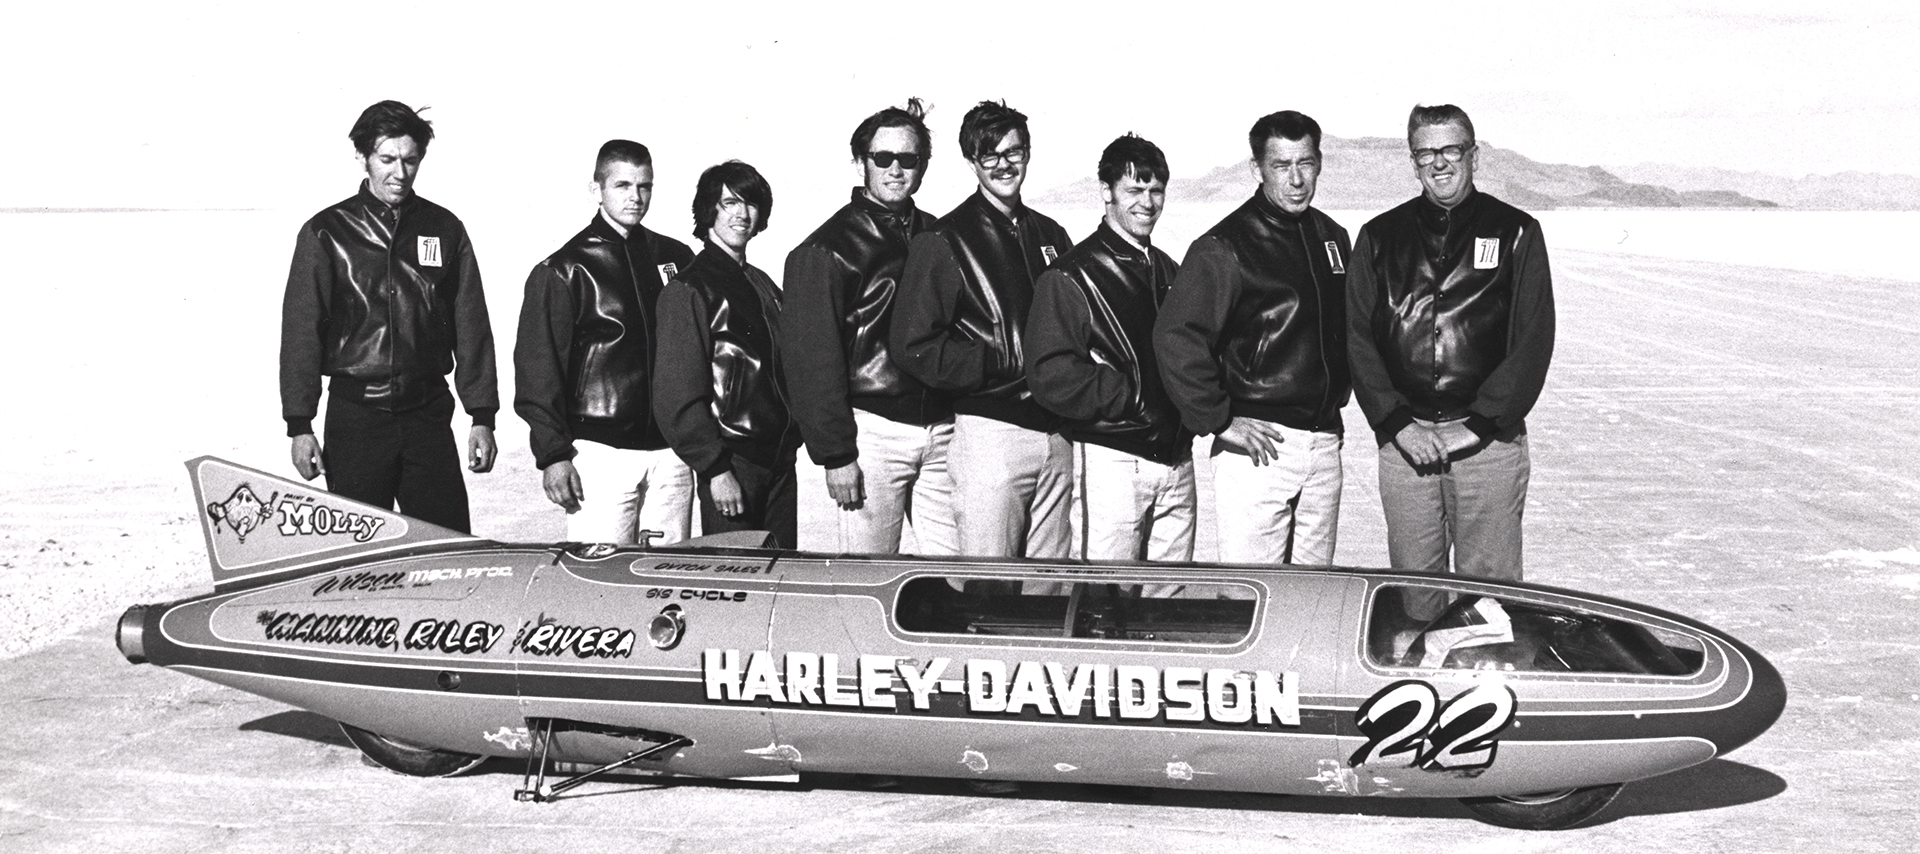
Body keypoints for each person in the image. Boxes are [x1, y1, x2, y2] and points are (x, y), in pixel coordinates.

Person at [1347, 104, 1555, 617]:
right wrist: (1397, 423)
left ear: (1474, 156)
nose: (1439, 163)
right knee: (1415, 596)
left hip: (1487, 446)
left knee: (1491, 602)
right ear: (1413, 162)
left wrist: (1480, 423)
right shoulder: (1379, 237)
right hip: (1407, 446)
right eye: (1426, 153)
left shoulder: (1516, 232)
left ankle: (1490, 694)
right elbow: (1356, 338)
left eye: (1450, 150)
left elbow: (1533, 338)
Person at [279, 100, 497, 533]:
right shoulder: (327, 232)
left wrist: (482, 417)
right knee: (357, 561)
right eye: (387, 159)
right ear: (362, 157)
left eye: (410, 159)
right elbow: (301, 332)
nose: (400, 172)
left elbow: (471, 326)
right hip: (356, 420)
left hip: (427, 418)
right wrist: (299, 424)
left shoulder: (445, 228)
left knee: (446, 550)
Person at [1155, 110, 1349, 565]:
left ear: (1319, 163)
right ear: (1256, 169)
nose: (1297, 179)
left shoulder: (1332, 238)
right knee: (1254, 596)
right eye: (1282, 166)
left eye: (1306, 163)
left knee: (1311, 600)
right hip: (1259, 447)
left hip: (1323, 446)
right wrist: (1219, 420)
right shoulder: (1225, 247)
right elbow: (1176, 337)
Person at [891, 100, 1073, 559]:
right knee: (989, 583)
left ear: (1028, 154)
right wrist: (993, 363)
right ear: (972, 161)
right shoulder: (945, 240)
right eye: (989, 155)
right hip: (991, 434)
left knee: (1047, 584)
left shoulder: (1051, 235)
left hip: (1056, 435)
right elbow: (913, 345)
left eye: (1013, 152)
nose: (1003, 165)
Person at [782, 99, 957, 555]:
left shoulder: (939, 237)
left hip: (942, 431)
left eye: (908, 159)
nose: (896, 169)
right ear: (861, 162)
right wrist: (836, 453)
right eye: (883, 158)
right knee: (864, 575)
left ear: (923, 167)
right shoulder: (825, 250)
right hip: (872, 435)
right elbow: (810, 362)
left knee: (957, 570)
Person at [514, 140, 697, 545]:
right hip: (600, 456)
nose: (635, 196)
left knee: (666, 584)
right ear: (596, 190)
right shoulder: (564, 269)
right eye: (622, 185)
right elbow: (538, 372)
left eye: (644, 186)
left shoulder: (676, 257)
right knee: (601, 584)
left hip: (671, 457)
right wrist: (553, 455)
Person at [1026, 133, 1194, 563]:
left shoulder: (1169, 270)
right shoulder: (1070, 277)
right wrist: (1128, 396)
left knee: (1166, 602)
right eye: (1134, 190)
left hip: (1176, 463)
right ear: (1106, 192)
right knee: (1104, 599)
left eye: (1156, 191)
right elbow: (1051, 375)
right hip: (1113, 463)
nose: (1147, 202)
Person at [653, 161, 799, 547]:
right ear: (709, 211)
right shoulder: (688, 290)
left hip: (779, 462)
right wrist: (716, 470)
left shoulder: (762, 283)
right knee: (736, 588)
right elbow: (677, 395)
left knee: (781, 585)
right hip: (733, 466)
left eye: (750, 204)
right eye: (730, 203)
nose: (741, 214)